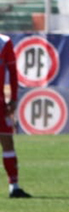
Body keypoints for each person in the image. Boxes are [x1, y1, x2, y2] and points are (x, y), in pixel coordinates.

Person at [1, 34, 28, 198]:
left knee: (7, 142)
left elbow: (12, 71)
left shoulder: (4, 42)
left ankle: (14, 186)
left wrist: (13, 98)